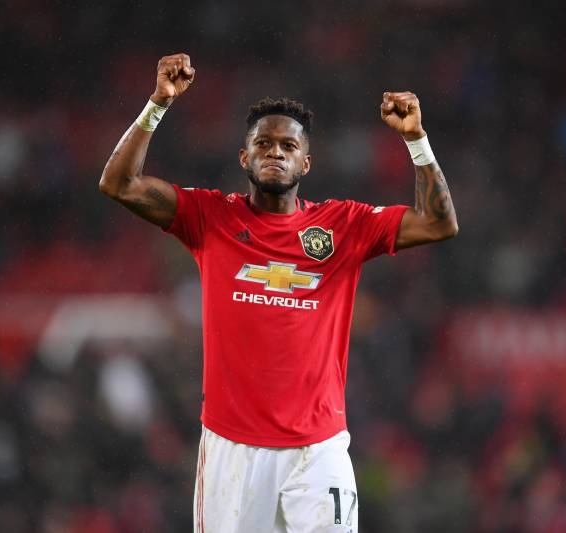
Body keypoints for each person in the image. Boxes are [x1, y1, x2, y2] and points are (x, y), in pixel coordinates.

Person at [99, 52, 458, 533]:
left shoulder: (343, 225)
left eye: (288, 145)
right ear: (244, 157)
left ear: (305, 163)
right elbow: (118, 183)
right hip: (232, 450)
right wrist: (158, 104)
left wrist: (416, 140)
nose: (275, 152)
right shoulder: (211, 218)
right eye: (263, 144)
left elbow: (438, 223)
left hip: (318, 449)